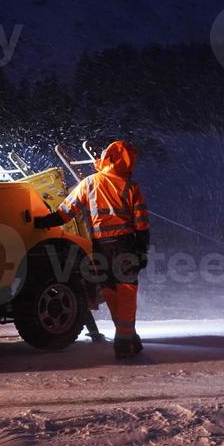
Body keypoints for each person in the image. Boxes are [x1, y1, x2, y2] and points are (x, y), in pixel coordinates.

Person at [34, 141, 150, 359]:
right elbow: (142, 223)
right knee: (126, 291)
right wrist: (142, 250)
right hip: (125, 245)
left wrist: (41, 222)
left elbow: (65, 213)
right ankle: (124, 341)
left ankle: (128, 335)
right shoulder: (131, 188)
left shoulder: (89, 183)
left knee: (111, 290)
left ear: (107, 158)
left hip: (99, 246)